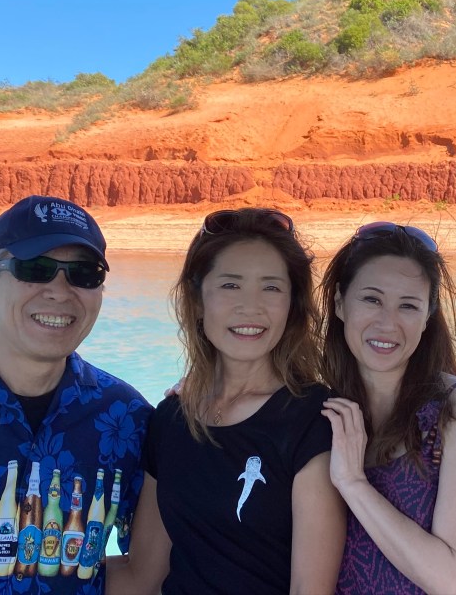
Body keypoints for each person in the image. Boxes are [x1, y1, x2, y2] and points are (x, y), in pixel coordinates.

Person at [106, 208, 346, 594]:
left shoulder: (313, 418)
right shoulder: (171, 419)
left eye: (271, 287)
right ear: (198, 300)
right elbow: (142, 576)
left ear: (293, 306)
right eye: (230, 285)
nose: (250, 307)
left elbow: (309, 588)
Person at [319, 221, 456, 594]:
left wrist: (353, 484)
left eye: (408, 305)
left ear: (427, 316)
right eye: (371, 299)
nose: (388, 323)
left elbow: (452, 580)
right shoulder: (321, 410)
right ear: (340, 303)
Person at [0, 195, 152, 594]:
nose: (60, 291)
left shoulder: (130, 418)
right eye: (35, 268)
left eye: (84, 274)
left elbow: (167, 558)